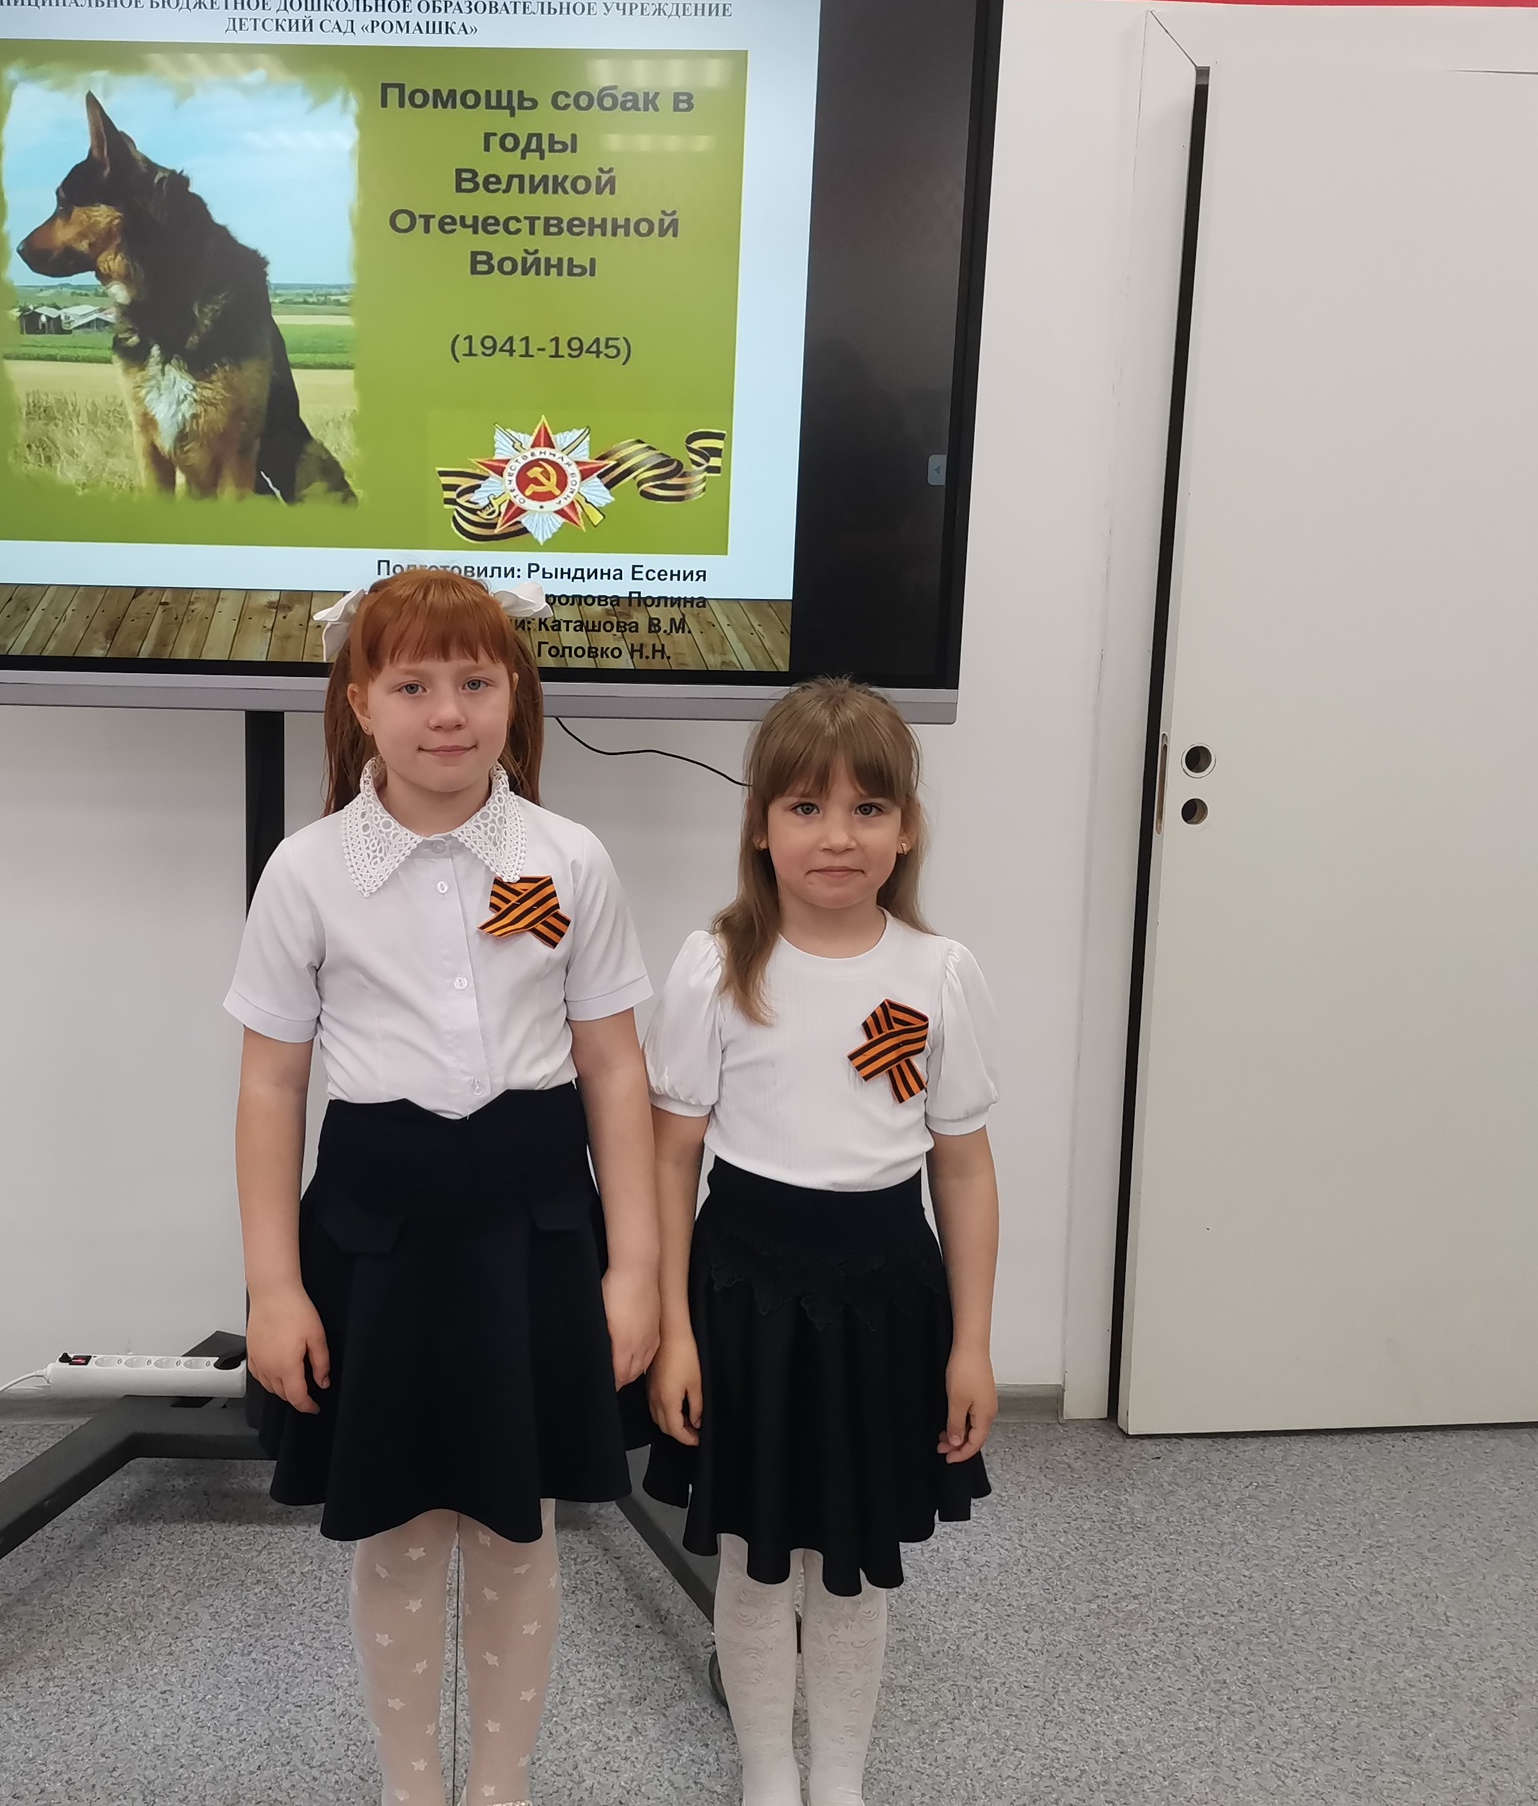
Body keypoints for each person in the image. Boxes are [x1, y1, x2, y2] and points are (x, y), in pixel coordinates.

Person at [227, 568, 662, 1806]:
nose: (448, 713)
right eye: (412, 685)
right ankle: (411, 1787)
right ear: (358, 701)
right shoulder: (306, 872)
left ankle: (500, 1785)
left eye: (475, 681)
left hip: (535, 1231)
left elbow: (613, 1068)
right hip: (380, 1238)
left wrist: (635, 1268)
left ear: (513, 690)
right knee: (404, 1530)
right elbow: (270, 1087)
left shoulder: (569, 859)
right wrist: (273, 1288)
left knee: (520, 1527)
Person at [641, 677, 1001, 1806]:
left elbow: (963, 1168)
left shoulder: (939, 975)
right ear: (760, 824)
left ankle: (838, 1773)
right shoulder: (715, 964)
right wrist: (672, 1330)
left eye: (866, 809)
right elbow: (668, 1159)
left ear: (907, 829)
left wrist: (972, 1346)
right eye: (805, 807)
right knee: (753, 1559)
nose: (836, 837)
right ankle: (767, 1766)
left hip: (885, 1300)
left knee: (850, 1568)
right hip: (742, 1298)